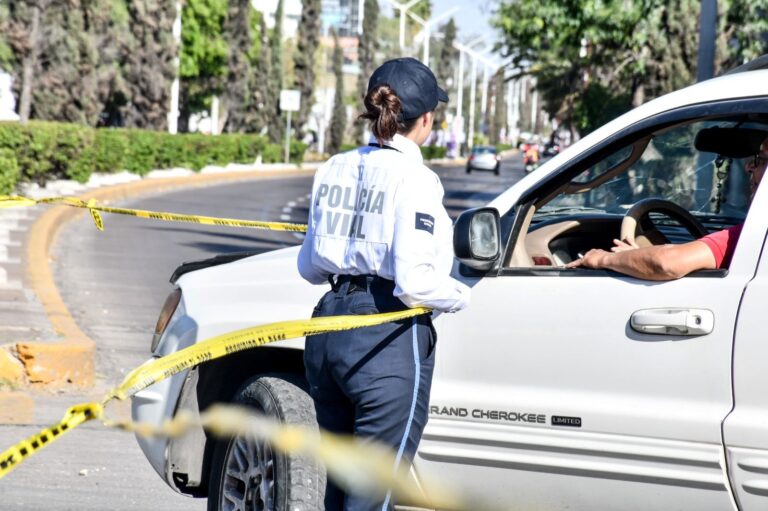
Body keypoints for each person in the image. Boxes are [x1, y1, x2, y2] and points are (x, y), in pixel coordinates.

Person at [297, 57, 470, 510]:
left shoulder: (332, 167)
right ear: (427, 119)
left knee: (339, 491)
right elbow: (415, 281)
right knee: (374, 495)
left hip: (327, 331)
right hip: (386, 337)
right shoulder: (416, 178)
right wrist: (462, 295)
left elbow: (310, 267)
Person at [567, 136, 768, 280]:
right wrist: (635, 257)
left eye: (761, 159)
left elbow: (667, 263)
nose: (749, 166)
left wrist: (604, 258)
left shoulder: (756, 233)